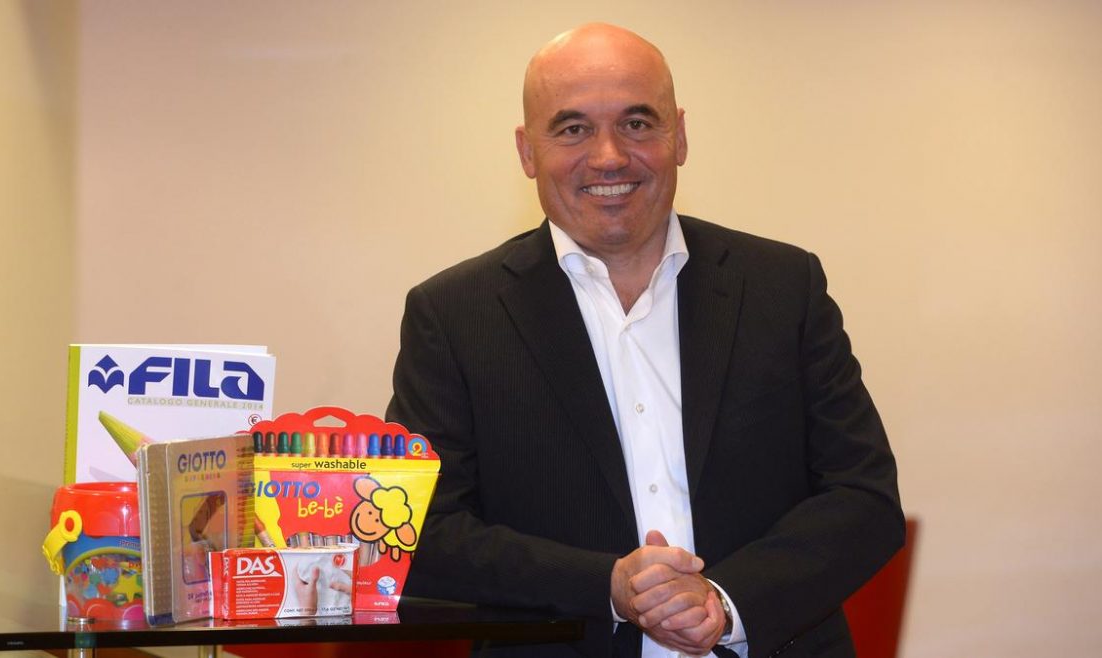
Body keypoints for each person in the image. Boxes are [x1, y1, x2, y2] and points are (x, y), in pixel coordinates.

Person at [386, 23, 903, 658]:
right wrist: (606, 586)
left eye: (636, 123)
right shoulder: (453, 315)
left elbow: (863, 497)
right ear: (526, 151)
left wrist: (727, 601)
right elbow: (418, 532)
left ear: (678, 136)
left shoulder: (783, 287)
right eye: (572, 128)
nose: (608, 156)